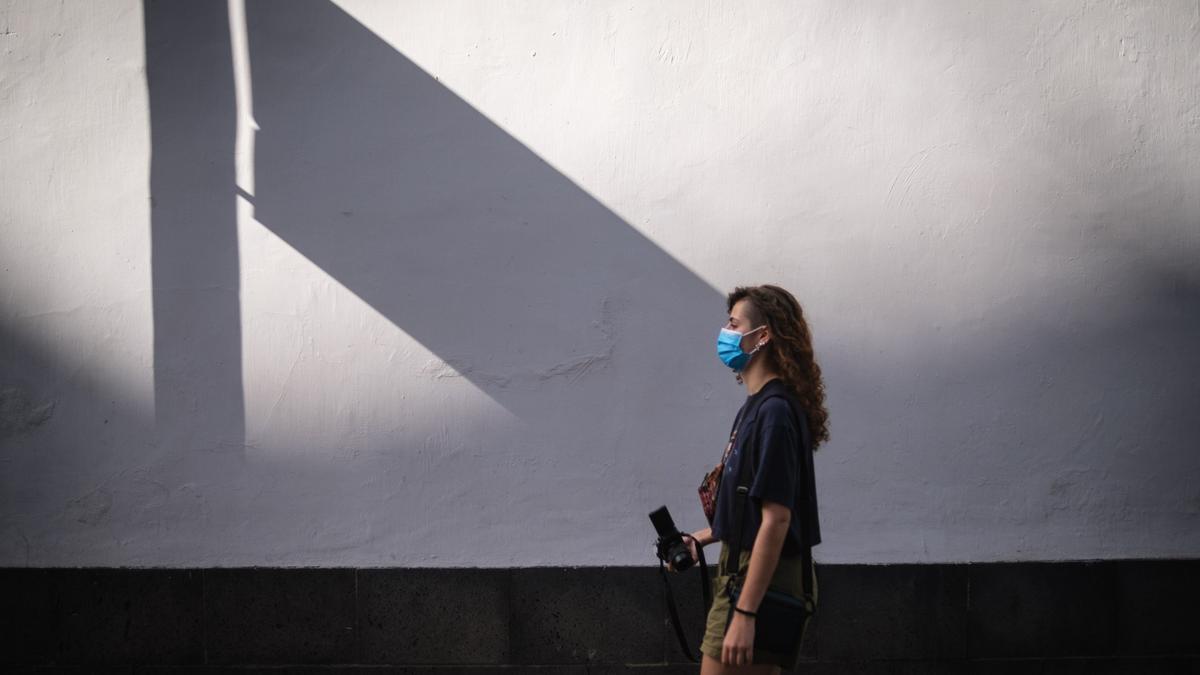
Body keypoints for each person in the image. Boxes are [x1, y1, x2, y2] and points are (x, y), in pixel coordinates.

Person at [675, 284, 829, 674]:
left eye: (733, 323)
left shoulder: (774, 412)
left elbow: (777, 518)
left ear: (762, 336)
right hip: (749, 570)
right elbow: (752, 505)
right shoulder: (758, 408)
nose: (724, 333)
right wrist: (701, 538)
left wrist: (745, 612)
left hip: (758, 578)